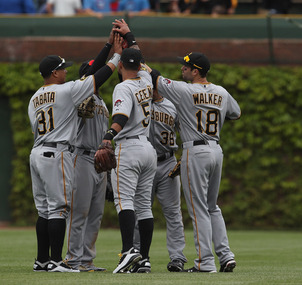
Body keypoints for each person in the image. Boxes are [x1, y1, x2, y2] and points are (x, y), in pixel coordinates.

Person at [28, 39, 121, 272]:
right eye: (62, 68)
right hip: (57, 152)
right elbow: (96, 76)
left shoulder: (35, 98)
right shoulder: (67, 91)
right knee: (59, 208)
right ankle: (59, 262)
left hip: (38, 151)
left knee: (44, 209)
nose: (65, 71)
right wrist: (115, 56)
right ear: (54, 73)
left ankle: (42, 260)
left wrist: (108, 45)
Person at [149, 51, 240, 273]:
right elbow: (235, 114)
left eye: (186, 66)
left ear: (195, 71)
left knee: (199, 209)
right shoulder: (221, 91)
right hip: (216, 150)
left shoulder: (184, 90)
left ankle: (205, 263)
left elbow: (155, 77)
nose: (182, 69)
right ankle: (226, 255)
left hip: (195, 150)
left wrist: (130, 41)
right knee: (212, 207)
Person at [64, 29, 122, 272]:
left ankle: (86, 260)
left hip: (99, 163)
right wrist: (113, 52)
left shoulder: (100, 101)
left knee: (95, 214)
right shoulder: (77, 95)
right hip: (81, 158)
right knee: (79, 212)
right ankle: (71, 259)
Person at [102, 19, 157, 274]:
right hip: (148, 149)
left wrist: (107, 137)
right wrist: (130, 37)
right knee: (144, 206)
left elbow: (121, 116)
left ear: (120, 64)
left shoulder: (123, 86)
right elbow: (141, 61)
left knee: (124, 203)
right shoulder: (146, 79)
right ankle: (143, 259)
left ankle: (127, 254)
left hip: (129, 148)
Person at [133, 89, 188, 272]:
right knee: (140, 211)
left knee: (173, 213)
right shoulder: (139, 104)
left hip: (167, 161)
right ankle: (137, 256)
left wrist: (184, 157)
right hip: (144, 163)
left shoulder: (172, 105)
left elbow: (185, 131)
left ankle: (177, 258)